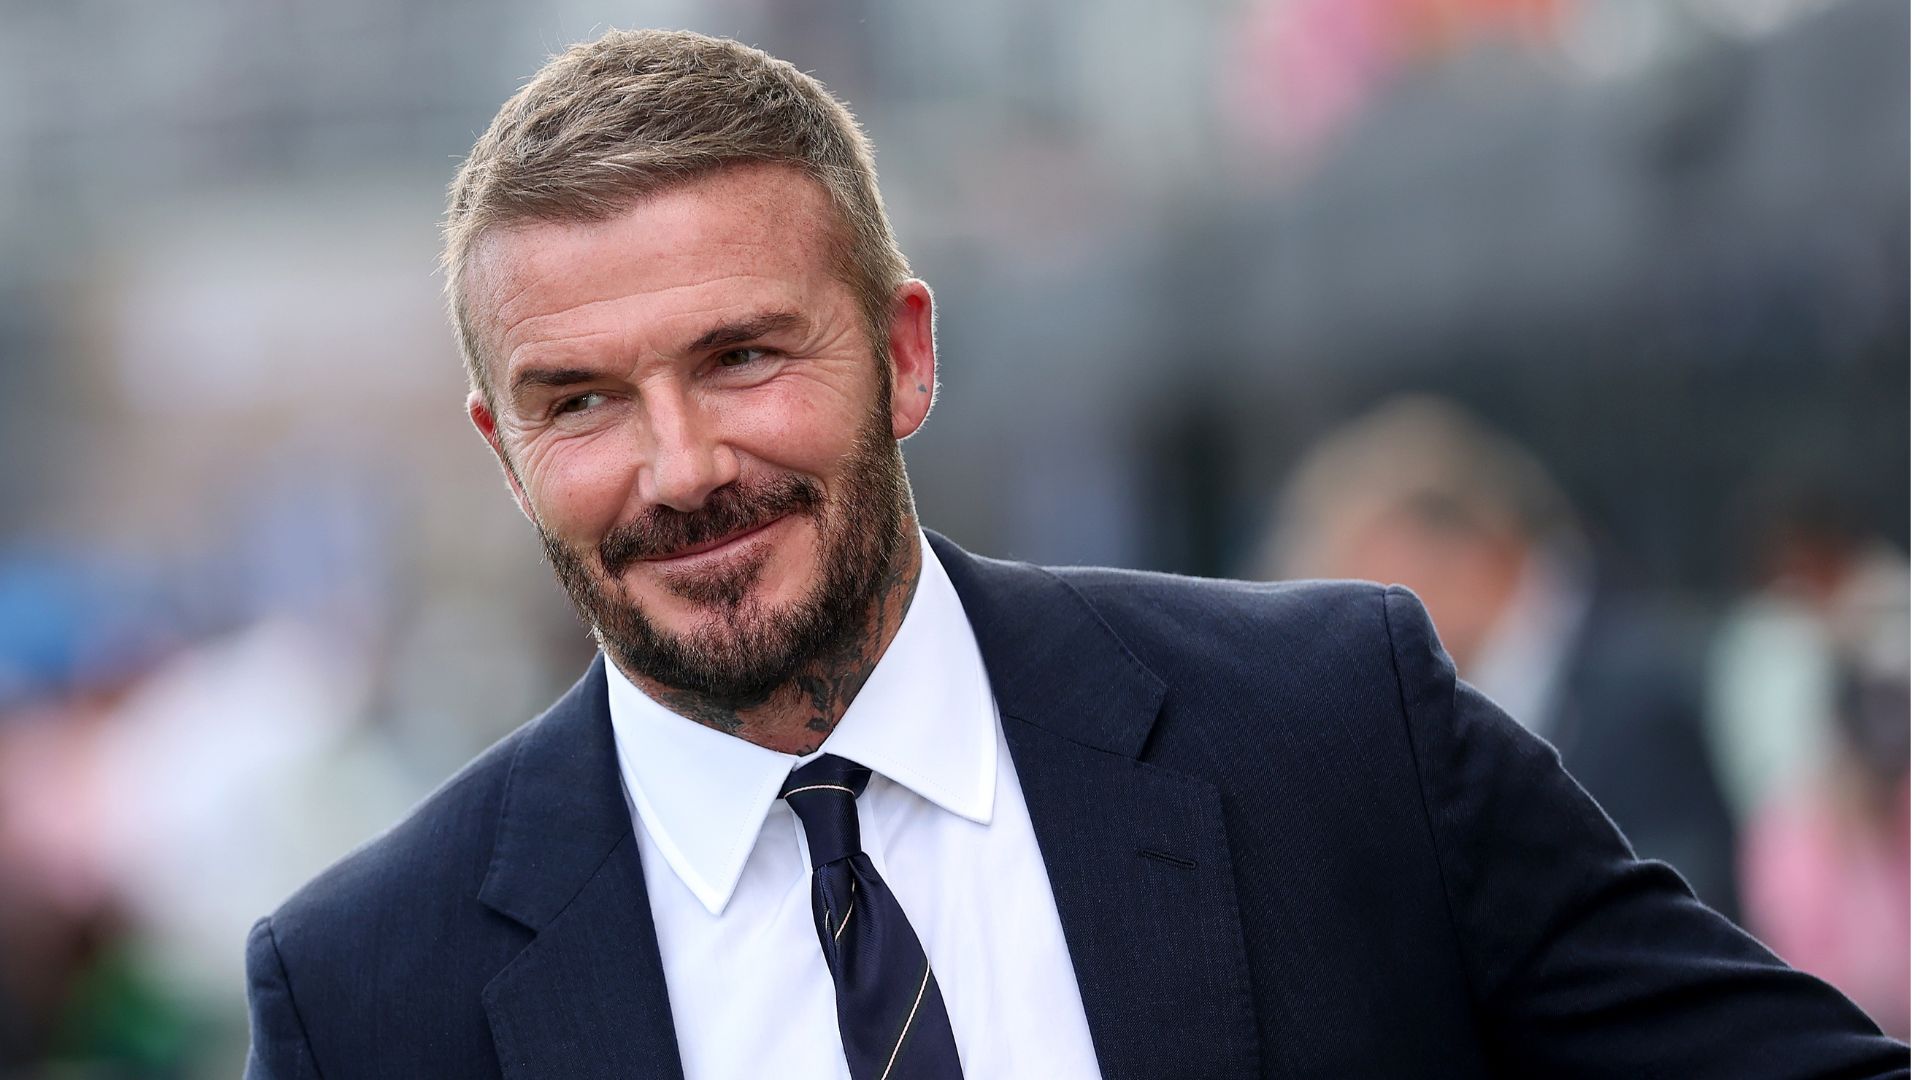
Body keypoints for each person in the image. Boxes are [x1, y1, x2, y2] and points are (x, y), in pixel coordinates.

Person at [242, 29, 1907, 1080]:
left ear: (904, 352)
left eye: (745, 356)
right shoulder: (370, 992)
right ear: (502, 447)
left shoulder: (1333, 733)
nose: (683, 467)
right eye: (585, 398)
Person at [1258, 396, 1741, 920]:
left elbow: (1682, 926)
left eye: (1370, 592)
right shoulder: (1509, 690)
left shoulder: (1632, 691)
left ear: (1473, 553)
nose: (1355, 641)